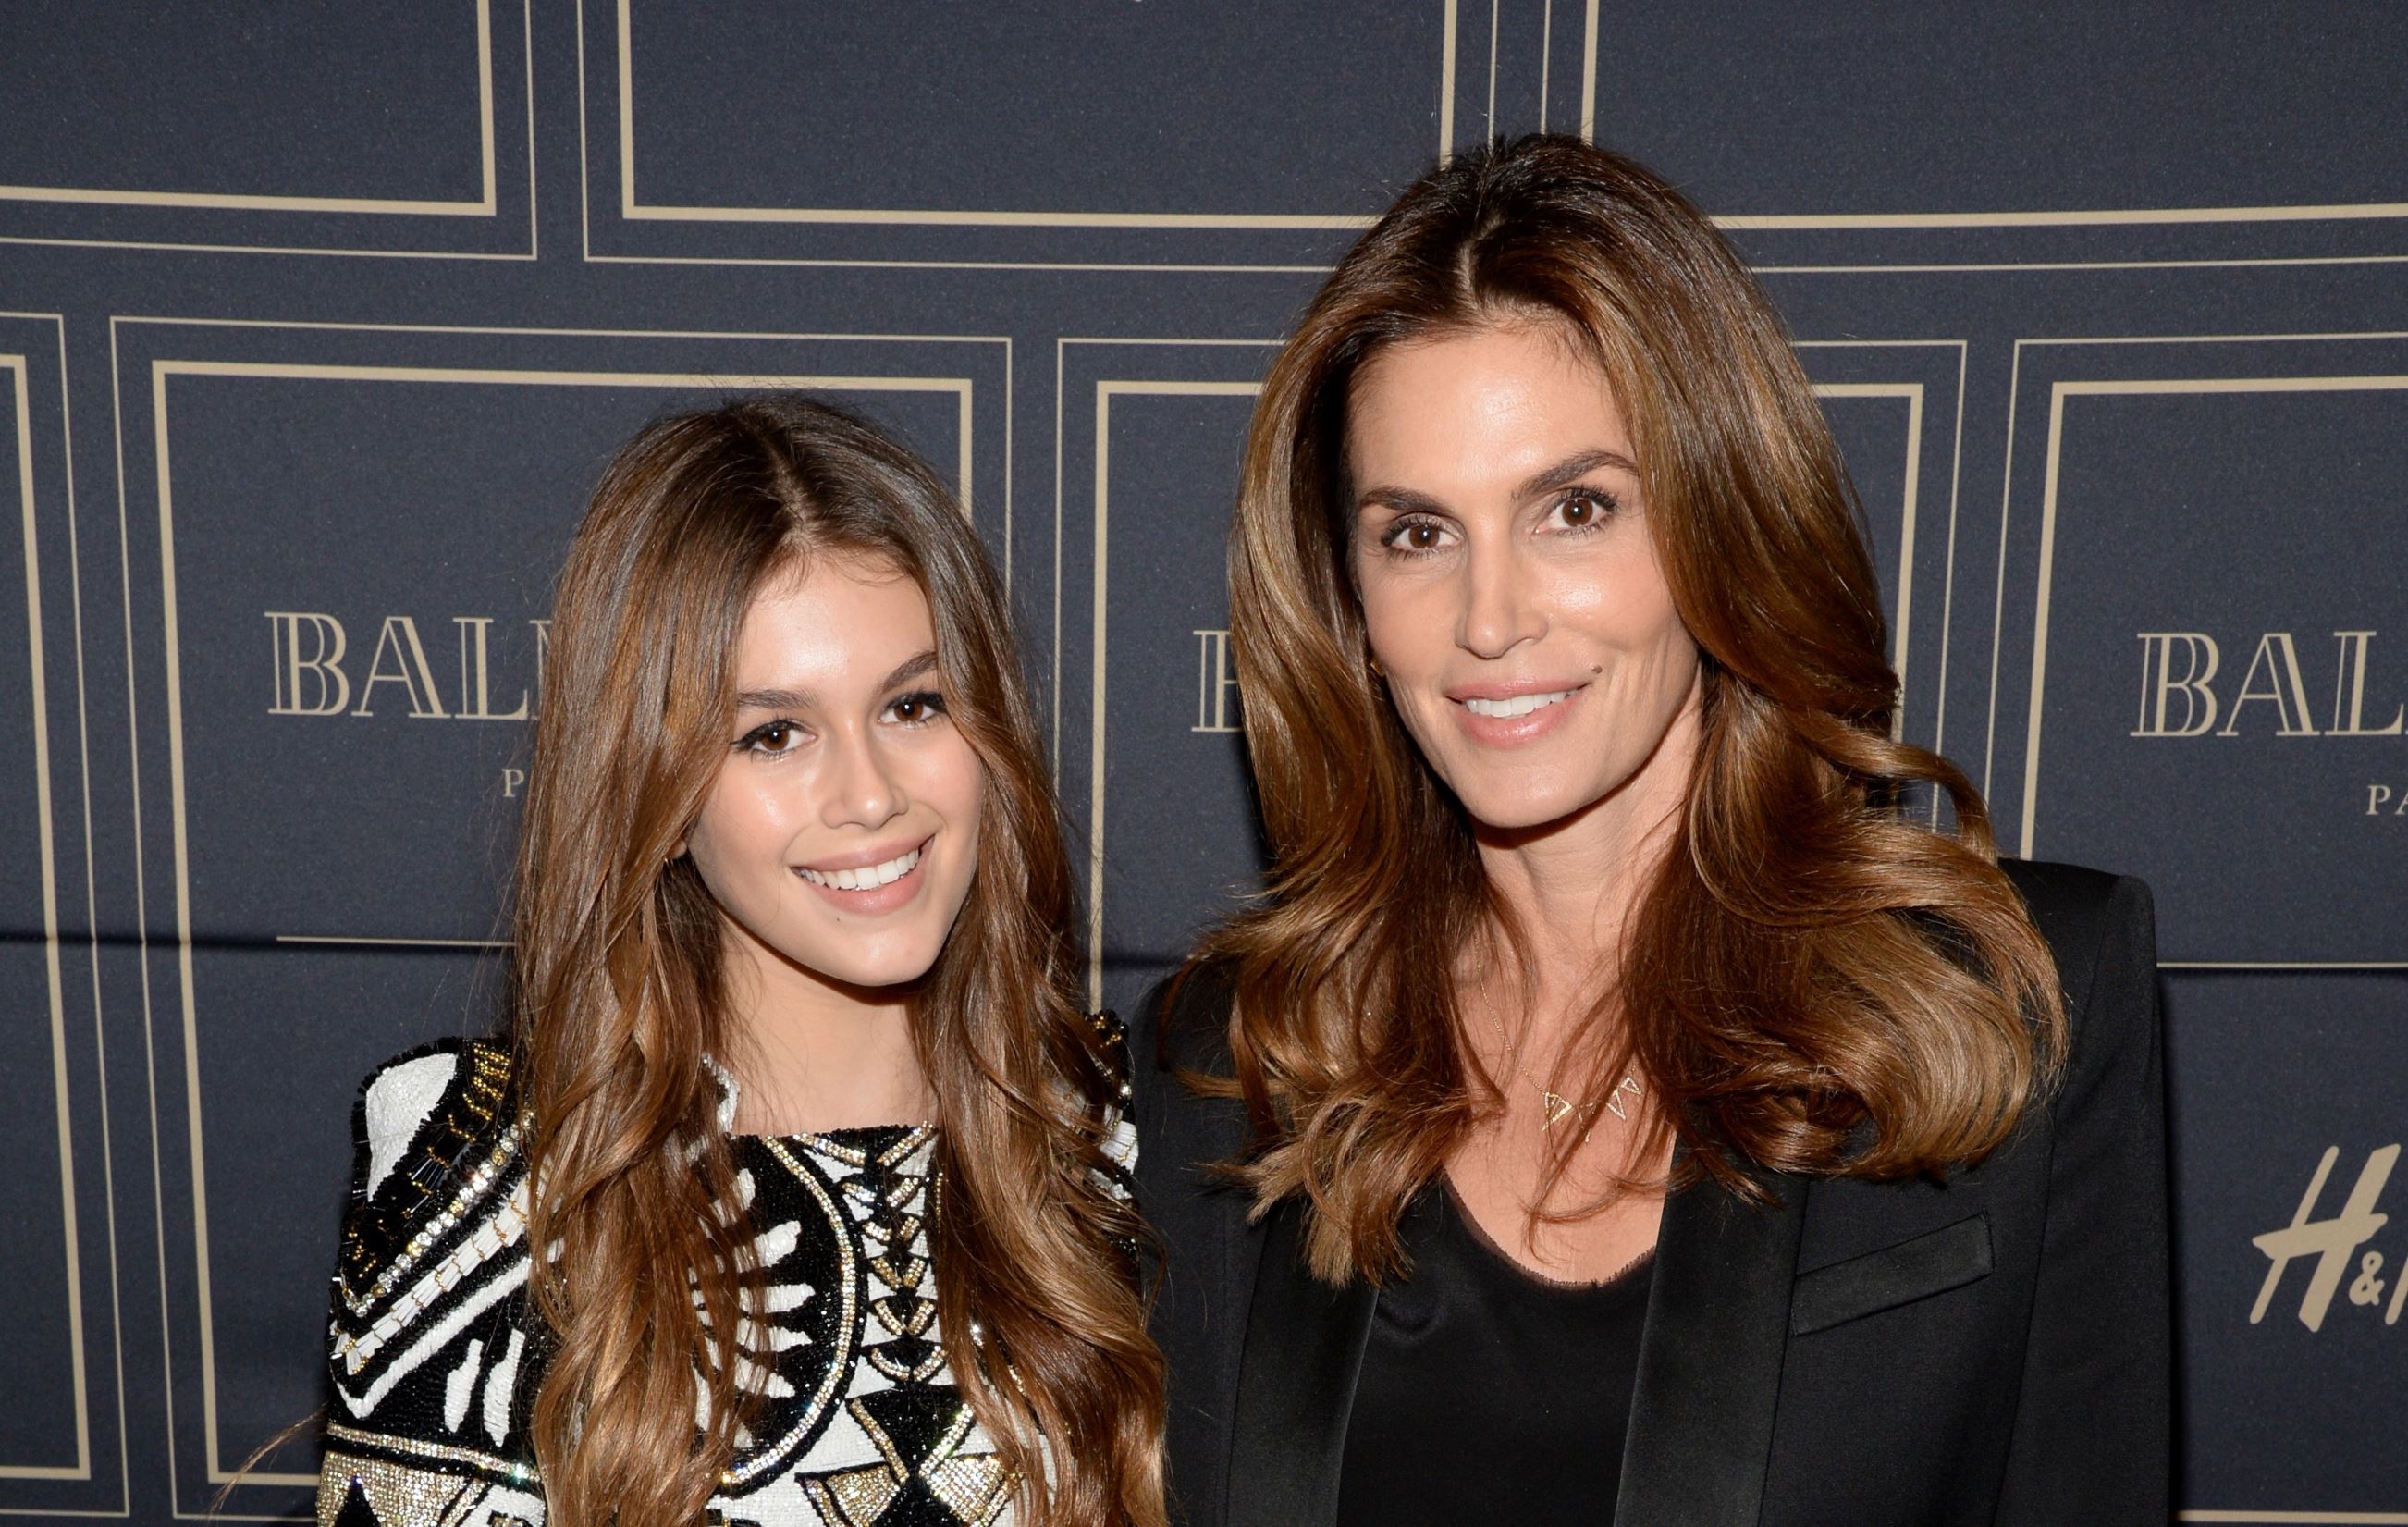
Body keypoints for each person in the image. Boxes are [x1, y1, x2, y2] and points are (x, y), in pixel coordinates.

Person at [1136, 135, 2168, 1527]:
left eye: (1576, 509)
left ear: (1718, 522)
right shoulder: (1239, 1052)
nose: (1490, 620)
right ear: (1349, 598)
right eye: (1418, 533)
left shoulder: (2014, 996)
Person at [315, 398, 1165, 1527]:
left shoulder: (1131, 1137)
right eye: (773, 733)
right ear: (658, 797)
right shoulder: (482, 1180)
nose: (870, 795)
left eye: (913, 705)